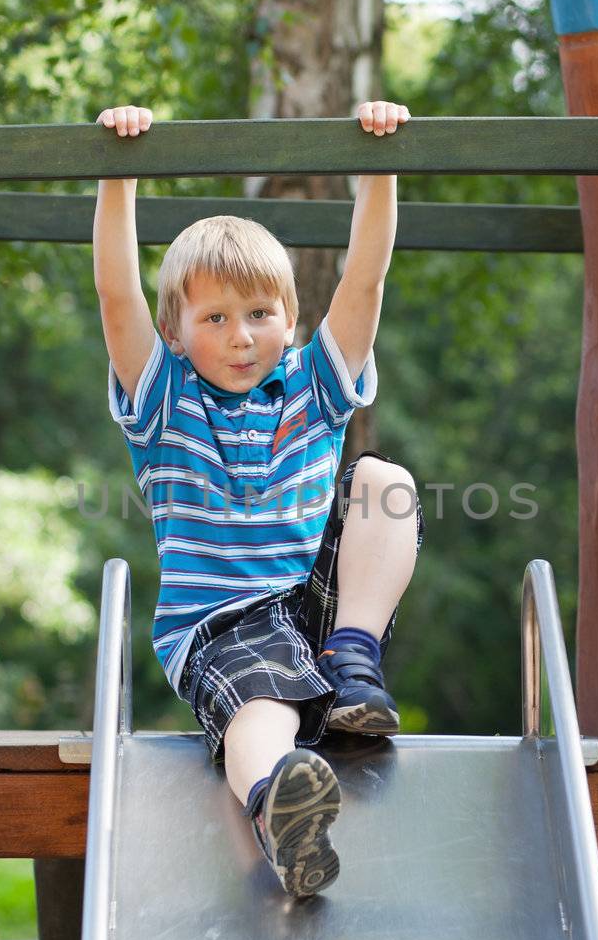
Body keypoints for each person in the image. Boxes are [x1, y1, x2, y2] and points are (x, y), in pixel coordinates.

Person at [93, 100, 423, 899]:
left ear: (291, 318)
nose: (242, 336)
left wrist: (376, 169)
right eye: (215, 318)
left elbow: (367, 278)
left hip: (308, 606)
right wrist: (118, 176)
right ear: (176, 333)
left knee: (385, 483)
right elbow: (114, 296)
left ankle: (354, 660)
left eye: (259, 315)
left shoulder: (312, 383)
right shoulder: (166, 399)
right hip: (223, 626)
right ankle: (279, 801)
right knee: (263, 701)